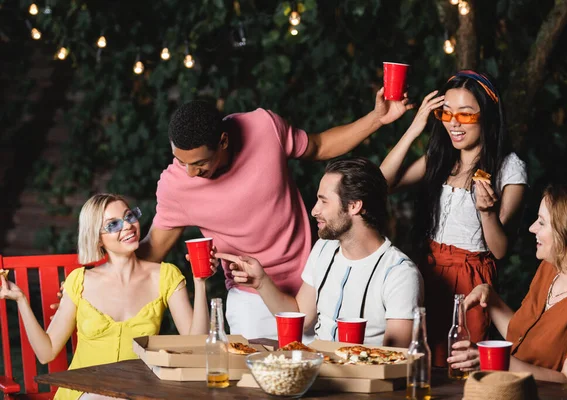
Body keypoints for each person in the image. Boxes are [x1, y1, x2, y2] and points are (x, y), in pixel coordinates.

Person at [137, 90, 414, 340]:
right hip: (251, 299)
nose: (190, 173)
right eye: (181, 161)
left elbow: (318, 146)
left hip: (314, 286)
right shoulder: (176, 186)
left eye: (199, 163)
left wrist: (377, 118)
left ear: (222, 141)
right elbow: (151, 253)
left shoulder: (263, 127)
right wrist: (102, 252)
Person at [0, 194, 216, 400]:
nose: (128, 226)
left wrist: (200, 282)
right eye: (113, 225)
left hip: (138, 391)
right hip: (84, 391)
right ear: (97, 238)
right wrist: (21, 299)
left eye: (129, 216)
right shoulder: (80, 282)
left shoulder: (165, 276)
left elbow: (195, 347)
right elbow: (46, 353)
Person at [380, 70, 527, 366]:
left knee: (459, 364)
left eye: (466, 114)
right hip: (428, 270)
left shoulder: (509, 167)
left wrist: (486, 212)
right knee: (418, 358)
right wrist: (414, 128)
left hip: (471, 281)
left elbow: (499, 249)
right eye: (446, 114)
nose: (454, 123)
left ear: (486, 116)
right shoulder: (442, 157)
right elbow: (382, 183)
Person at [217, 158, 423, 347]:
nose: (314, 210)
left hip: (363, 380)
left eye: (324, 201)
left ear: (354, 206)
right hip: (318, 372)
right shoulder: (324, 248)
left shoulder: (399, 274)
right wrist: (261, 282)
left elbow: (396, 359)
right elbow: (301, 316)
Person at [448, 182, 567, 386]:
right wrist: (490, 298)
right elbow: (522, 336)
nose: (532, 228)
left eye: (542, 222)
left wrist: (490, 360)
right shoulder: (549, 268)